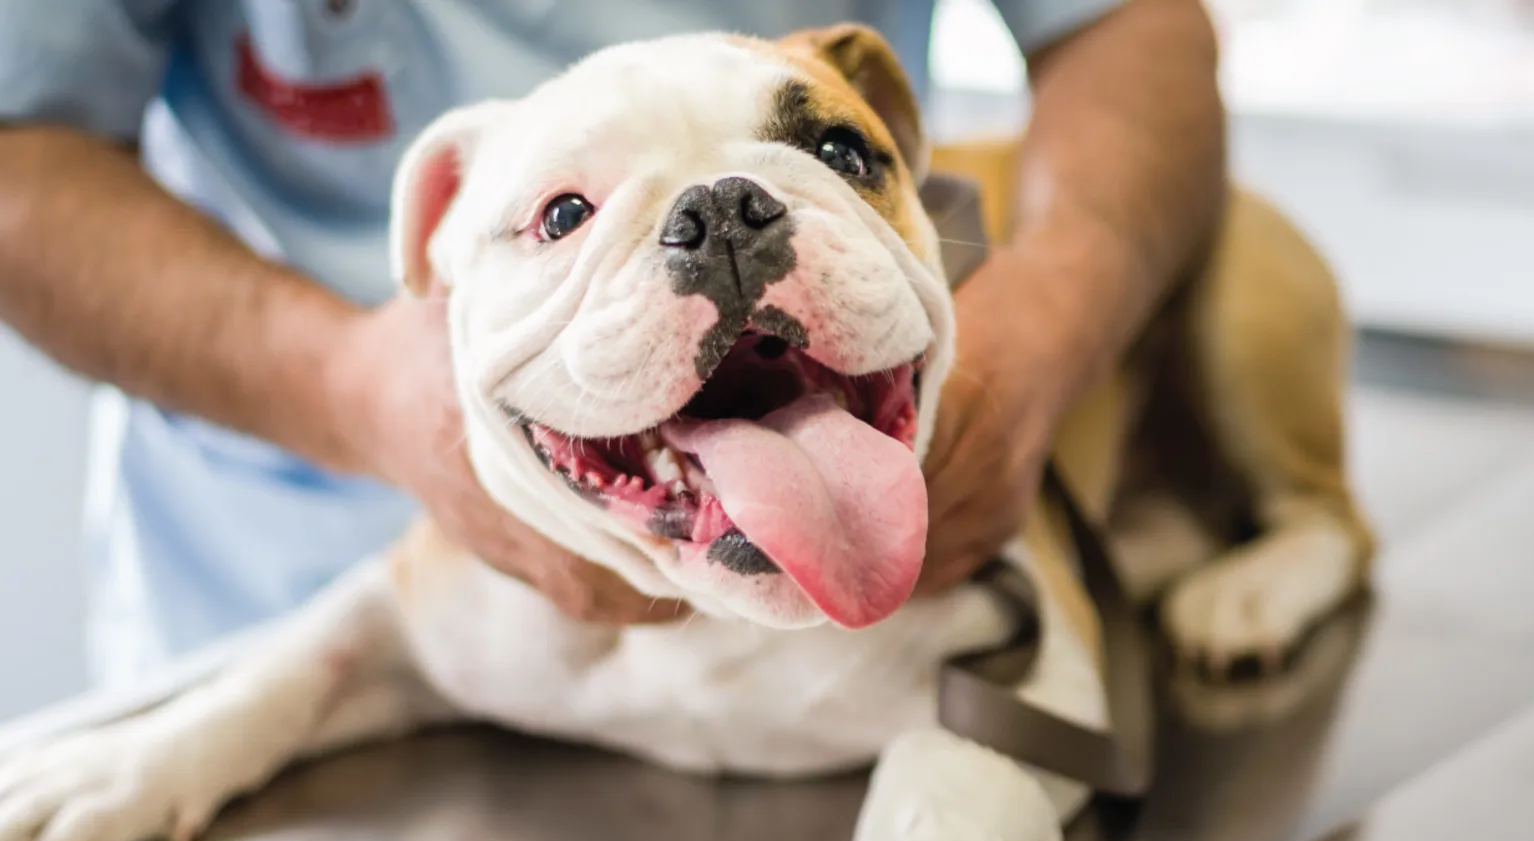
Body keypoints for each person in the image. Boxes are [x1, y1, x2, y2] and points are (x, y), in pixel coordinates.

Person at [0, 0, 1223, 689]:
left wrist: (1046, 322)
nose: (720, 228)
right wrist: (355, 387)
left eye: (836, 151)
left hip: (880, 583)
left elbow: (1124, 23)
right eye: (570, 215)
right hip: (284, 582)